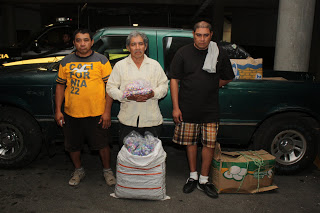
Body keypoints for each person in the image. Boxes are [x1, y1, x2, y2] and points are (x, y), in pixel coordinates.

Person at [168, 21, 235, 198]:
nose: (203, 39)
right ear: (193, 34)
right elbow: (174, 79)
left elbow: (228, 77)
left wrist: (212, 85)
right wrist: (175, 107)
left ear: (211, 35)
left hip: (210, 108)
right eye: (199, 35)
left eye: (206, 35)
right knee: (190, 142)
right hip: (187, 106)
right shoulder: (183, 52)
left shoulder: (219, 52)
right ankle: (192, 177)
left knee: (209, 144)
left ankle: (204, 180)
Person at [55, 28, 116, 186]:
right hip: (71, 113)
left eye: (86, 40)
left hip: (97, 113)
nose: (82, 44)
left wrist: (107, 112)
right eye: (79, 40)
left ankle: (107, 170)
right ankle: (78, 170)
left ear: (92, 42)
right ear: (74, 43)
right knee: (72, 145)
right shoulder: (66, 61)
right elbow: (60, 86)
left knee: (103, 144)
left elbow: (110, 88)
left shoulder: (101, 60)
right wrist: (58, 111)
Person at [106, 31, 168, 145]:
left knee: (151, 157)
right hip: (127, 121)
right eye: (133, 44)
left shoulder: (154, 65)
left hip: (152, 121)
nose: (137, 47)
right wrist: (127, 96)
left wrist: (153, 94)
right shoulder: (120, 66)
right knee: (129, 157)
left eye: (140, 44)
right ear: (128, 47)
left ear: (145, 46)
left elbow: (164, 86)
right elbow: (110, 88)